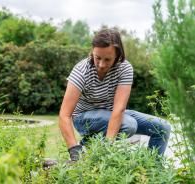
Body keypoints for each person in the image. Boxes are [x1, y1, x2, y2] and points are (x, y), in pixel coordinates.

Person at [59, 28, 171, 161]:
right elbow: (64, 115)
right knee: (128, 124)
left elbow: (119, 109)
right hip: (84, 118)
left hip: (111, 113)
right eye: (97, 58)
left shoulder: (125, 68)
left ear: (118, 56)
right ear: (92, 51)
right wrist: (74, 150)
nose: (101, 64)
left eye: (107, 60)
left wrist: (108, 144)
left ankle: (154, 172)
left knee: (162, 127)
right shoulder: (81, 71)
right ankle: (86, 147)